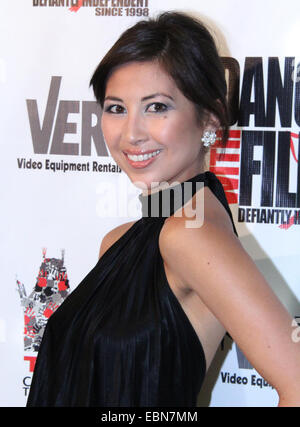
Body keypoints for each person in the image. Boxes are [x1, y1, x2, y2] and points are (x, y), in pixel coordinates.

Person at [27, 11, 300, 407]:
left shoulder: (190, 234)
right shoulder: (121, 242)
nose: (132, 134)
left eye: (156, 107)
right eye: (116, 108)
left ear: (209, 116)